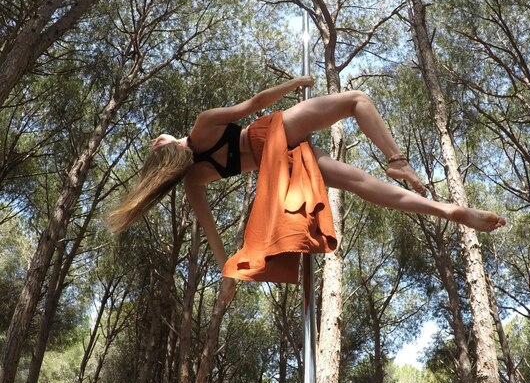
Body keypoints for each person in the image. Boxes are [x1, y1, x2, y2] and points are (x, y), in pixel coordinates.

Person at [108, 76, 505, 296]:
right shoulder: (200, 125)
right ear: (166, 145)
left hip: (278, 164)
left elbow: (212, 235)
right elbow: (253, 104)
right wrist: (296, 83)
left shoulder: (194, 179)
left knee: (357, 182)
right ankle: (398, 161)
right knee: (355, 99)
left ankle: (450, 212)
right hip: (272, 137)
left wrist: (227, 275)